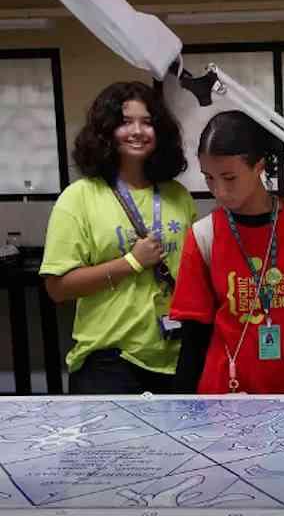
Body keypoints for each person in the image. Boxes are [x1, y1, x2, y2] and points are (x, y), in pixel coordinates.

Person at [169, 110, 284, 394]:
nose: (219, 191)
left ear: (259, 166)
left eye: (229, 177)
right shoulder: (204, 236)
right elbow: (194, 338)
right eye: (209, 178)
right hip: (227, 398)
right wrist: (184, 413)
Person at [40, 81, 195, 394]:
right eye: (126, 122)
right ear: (106, 130)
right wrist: (131, 262)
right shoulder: (79, 198)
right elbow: (57, 287)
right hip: (109, 359)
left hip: (176, 354)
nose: (137, 131)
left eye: (147, 122)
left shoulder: (178, 196)